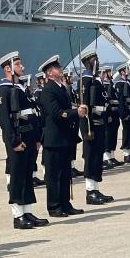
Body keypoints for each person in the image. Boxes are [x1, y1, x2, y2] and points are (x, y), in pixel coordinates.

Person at [0, 51, 49, 230]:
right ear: (8, 68)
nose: (22, 67)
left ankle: (27, 210)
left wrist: (37, 138)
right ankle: (18, 215)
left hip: (29, 137)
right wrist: (14, 141)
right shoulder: (3, 90)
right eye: (18, 65)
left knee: (27, 175)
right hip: (18, 140)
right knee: (17, 177)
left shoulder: (22, 88)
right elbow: (5, 120)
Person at [38, 55, 87, 217]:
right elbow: (56, 113)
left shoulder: (61, 87)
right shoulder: (48, 90)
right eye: (58, 68)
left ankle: (65, 204)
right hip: (54, 139)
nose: (61, 69)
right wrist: (75, 112)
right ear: (50, 73)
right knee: (54, 175)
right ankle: (54, 206)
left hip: (65, 138)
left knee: (66, 173)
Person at [78, 50, 113, 205]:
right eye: (95, 59)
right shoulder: (86, 79)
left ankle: (95, 189)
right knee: (91, 158)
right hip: (91, 124)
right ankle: (90, 191)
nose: (97, 62)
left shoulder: (95, 79)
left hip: (100, 122)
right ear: (88, 62)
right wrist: (86, 129)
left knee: (98, 157)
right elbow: (84, 105)